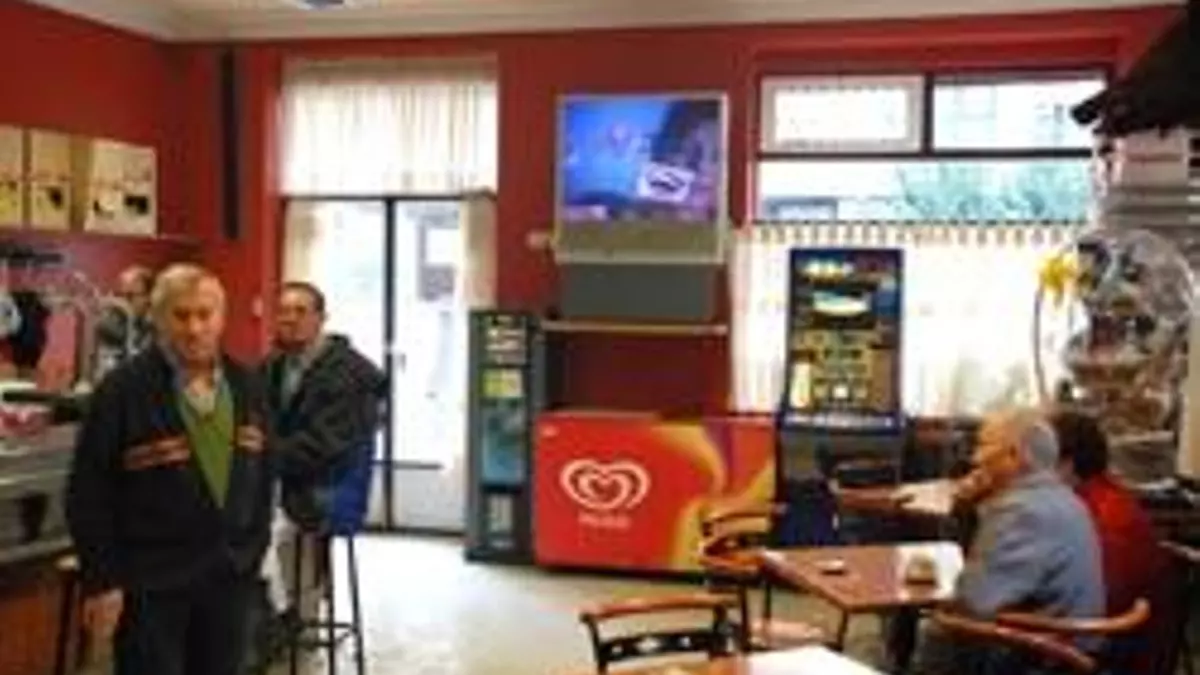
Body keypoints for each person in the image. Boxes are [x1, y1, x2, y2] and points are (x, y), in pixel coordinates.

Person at [66, 263, 274, 675]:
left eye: (205, 314)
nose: (194, 328)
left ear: (222, 317)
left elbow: (264, 479)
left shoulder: (248, 386)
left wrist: (252, 552)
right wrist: (103, 580)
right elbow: (88, 492)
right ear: (158, 318)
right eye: (181, 315)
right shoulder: (122, 390)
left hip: (228, 580)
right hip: (150, 585)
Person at [915, 407, 1106, 673]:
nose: (975, 458)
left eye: (984, 446)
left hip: (1043, 659)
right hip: (1066, 648)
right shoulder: (1062, 496)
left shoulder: (1021, 510)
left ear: (1014, 456)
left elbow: (974, 602)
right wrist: (967, 508)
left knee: (933, 627)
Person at [260, 282, 385, 626]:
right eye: (283, 311)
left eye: (300, 311)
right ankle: (272, 621)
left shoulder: (348, 374)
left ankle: (287, 622)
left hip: (330, 488)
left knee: (248, 532)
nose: (289, 319)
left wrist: (260, 457)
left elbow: (323, 447)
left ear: (321, 318)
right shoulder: (274, 365)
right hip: (293, 479)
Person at [1049, 408, 1175, 672]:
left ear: (1065, 466)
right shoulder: (1091, 497)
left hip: (1105, 657)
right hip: (1096, 640)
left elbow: (1090, 612)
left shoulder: (1105, 519)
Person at [93, 265, 156, 380]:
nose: (122, 302)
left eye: (130, 296)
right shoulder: (110, 323)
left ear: (148, 297)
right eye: (119, 295)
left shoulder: (158, 326)